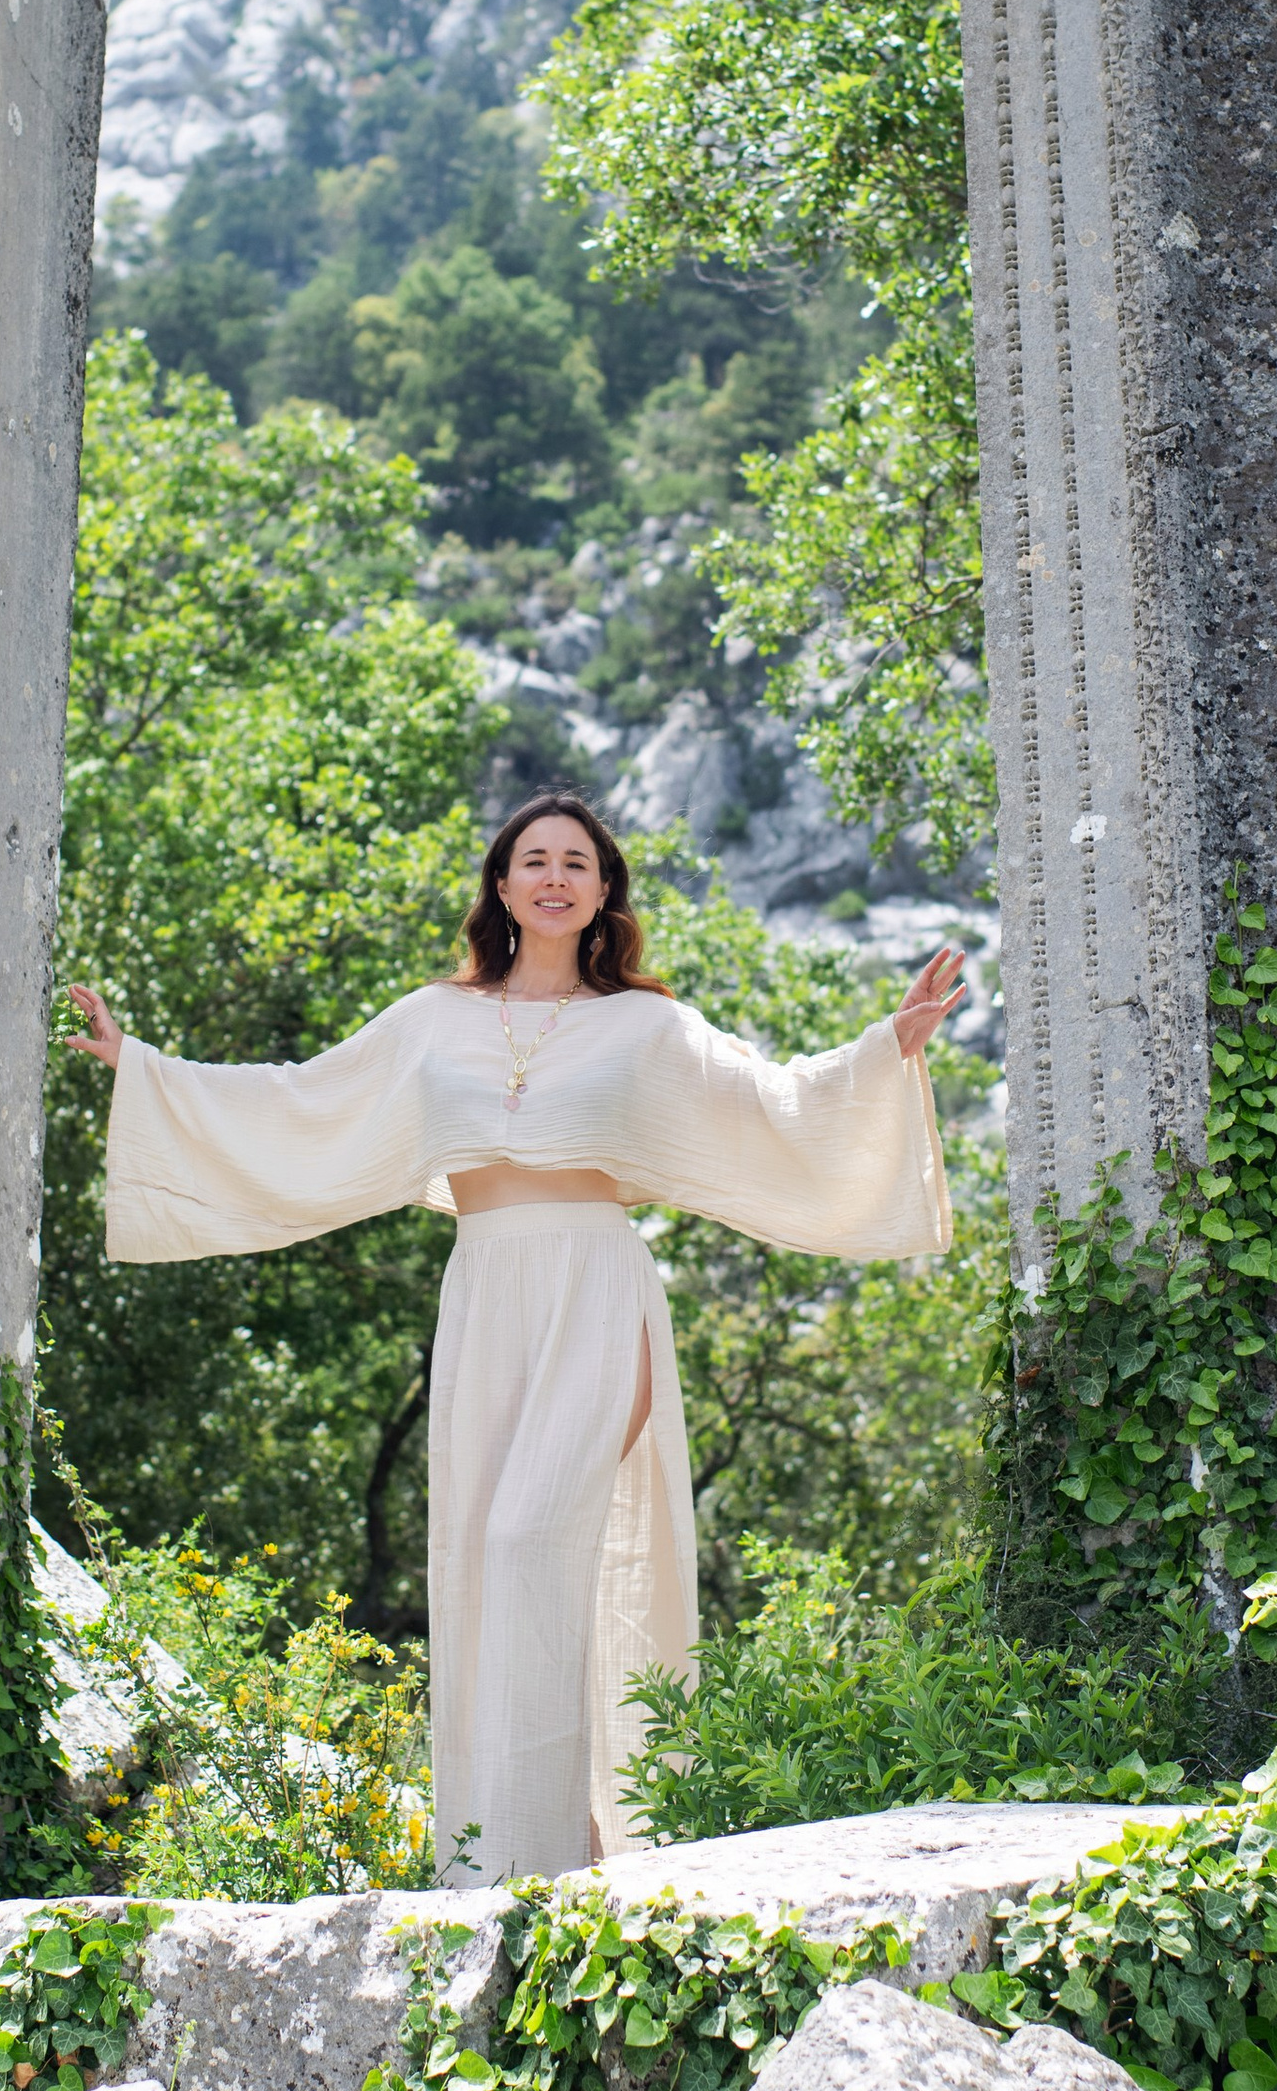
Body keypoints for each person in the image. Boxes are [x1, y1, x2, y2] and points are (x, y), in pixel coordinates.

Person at [64, 788, 965, 1884]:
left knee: (523, 1540)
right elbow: (301, 1100)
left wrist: (886, 1046)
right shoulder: (433, 1017)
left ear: (601, 894)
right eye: (532, 858)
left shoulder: (645, 1023)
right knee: (483, 1566)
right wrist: (142, 1067)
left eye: (575, 862)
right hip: (484, 1293)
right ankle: (513, 1853)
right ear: (501, 886)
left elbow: (772, 1099)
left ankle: (558, 1854)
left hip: (595, 1284)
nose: (552, 875)